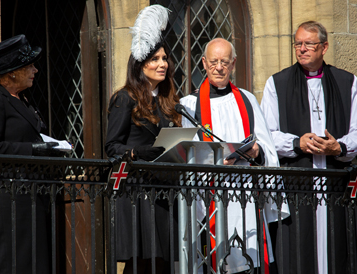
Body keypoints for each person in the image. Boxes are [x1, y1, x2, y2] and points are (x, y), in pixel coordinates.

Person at [260, 21, 357, 274]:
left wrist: (337, 147)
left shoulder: (347, 81)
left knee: (337, 248)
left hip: (336, 184)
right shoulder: (277, 83)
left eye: (308, 44)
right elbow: (266, 134)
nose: (301, 49)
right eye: (298, 43)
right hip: (296, 182)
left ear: (324, 47)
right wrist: (297, 143)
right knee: (298, 248)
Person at [180, 38, 289, 273]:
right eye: (214, 61)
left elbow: (268, 149)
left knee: (248, 261)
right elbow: (186, 156)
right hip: (208, 197)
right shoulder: (189, 105)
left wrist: (257, 152)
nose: (219, 67)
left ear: (234, 64)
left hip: (246, 197)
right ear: (204, 63)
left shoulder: (248, 100)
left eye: (225, 62)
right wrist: (217, 161)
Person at [104, 5, 181, 274]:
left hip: (165, 191)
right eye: (155, 59)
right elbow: (111, 148)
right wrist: (138, 153)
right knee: (141, 263)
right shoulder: (124, 98)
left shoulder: (171, 101)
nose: (162, 64)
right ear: (140, 64)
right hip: (138, 192)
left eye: (165, 58)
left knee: (163, 264)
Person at [0, 34, 63, 274]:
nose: (35, 70)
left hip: (34, 190)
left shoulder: (24, 100)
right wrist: (34, 149)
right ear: (13, 72)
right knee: (14, 257)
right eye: (30, 66)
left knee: (35, 260)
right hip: (11, 192)